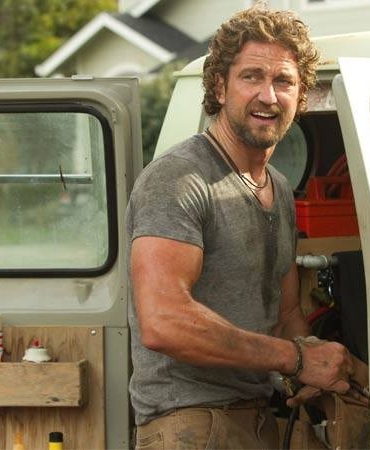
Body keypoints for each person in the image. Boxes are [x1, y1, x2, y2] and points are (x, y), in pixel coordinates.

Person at [126, 3, 355, 448]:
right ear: (220, 86)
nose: (268, 96)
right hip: (189, 424)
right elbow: (163, 321)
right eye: (252, 76)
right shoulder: (178, 179)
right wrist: (295, 359)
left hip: (257, 420)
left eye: (283, 81)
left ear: (301, 96)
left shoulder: (280, 190)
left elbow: (285, 316)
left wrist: (320, 365)